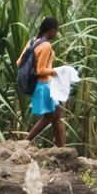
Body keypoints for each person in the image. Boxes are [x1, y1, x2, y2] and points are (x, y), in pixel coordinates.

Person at [21, 17, 66, 147]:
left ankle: (62, 149)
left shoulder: (32, 42)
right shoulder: (46, 45)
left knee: (56, 116)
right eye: (56, 31)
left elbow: (19, 62)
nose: (56, 34)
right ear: (51, 30)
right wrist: (55, 72)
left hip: (36, 84)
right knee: (49, 117)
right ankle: (25, 142)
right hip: (44, 84)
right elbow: (41, 70)